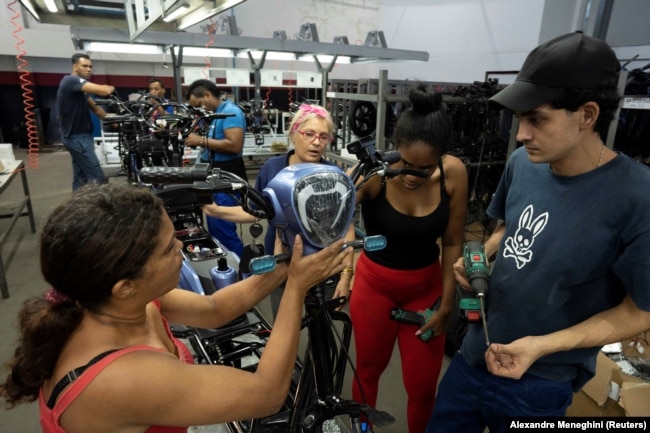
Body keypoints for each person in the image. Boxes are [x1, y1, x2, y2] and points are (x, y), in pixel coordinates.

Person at [426, 32, 650, 433]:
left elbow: (639, 312)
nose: (522, 134)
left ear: (586, 115)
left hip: (539, 382)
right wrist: (484, 256)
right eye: (519, 120)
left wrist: (543, 345)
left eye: (537, 119)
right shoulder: (522, 163)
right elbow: (507, 227)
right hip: (473, 353)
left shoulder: (638, 198)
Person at [0, 182, 352, 433]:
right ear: (125, 286)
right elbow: (266, 395)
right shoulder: (124, 378)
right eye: (169, 249)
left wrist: (282, 268)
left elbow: (213, 309)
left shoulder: (117, 301)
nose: (182, 252)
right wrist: (296, 288)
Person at [350, 84, 468, 433]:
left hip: (425, 292)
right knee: (368, 371)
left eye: (425, 168)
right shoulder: (374, 176)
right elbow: (331, 212)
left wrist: (447, 305)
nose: (412, 175)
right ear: (395, 148)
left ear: (441, 157)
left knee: (421, 386)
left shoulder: (453, 173)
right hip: (374, 287)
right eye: (405, 163)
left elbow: (452, 243)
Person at [203, 103, 356, 317]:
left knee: (323, 334)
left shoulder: (334, 175)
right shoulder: (273, 168)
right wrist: (215, 211)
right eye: (309, 134)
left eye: (323, 137)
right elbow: (256, 211)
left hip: (322, 265)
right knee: (284, 329)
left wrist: (346, 274)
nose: (316, 142)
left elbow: (346, 227)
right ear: (294, 134)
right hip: (280, 265)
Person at [184, 79, 248, 258]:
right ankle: (226, 267)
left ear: (207, 95)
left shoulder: (230, 112)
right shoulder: (216, 114)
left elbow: (234, 146)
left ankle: (242, 273)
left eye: (199, 104)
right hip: (213, 177)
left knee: (224, 227)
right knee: (215, 226)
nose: (200, 110)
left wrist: (201, 140)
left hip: (226, 178)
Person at [56, 53, 115, 190]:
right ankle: (101, 209)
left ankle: (76, 207)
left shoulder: (81, 91)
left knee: (81, 177)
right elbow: (105, 91)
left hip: (83, 137)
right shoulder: (71, 81)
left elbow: (96, 109)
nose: (89, 69)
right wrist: (111, 87)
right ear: (75, 66)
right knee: (98, 178)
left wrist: (116, 122)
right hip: (76, 139)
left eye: (90, 67)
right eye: (85, 66)